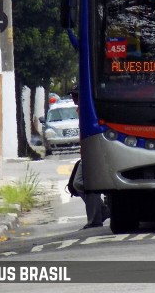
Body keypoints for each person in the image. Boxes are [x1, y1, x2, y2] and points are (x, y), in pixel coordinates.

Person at [68, 86, 110, 229]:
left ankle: (97, 217)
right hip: (86, 150)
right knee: (81, 184)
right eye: (72, 95)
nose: (73, 98)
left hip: (92, 150)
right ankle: (101, 212)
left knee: (81, 183)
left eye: (76, 95)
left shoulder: (88, 109)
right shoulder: (81, 110)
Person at [72, 159, 110, 229]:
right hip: (88, 153)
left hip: (96, 153)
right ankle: (103, 211)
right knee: (79, 183)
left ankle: (96, 219)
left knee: (88, 183)